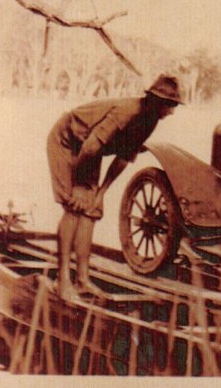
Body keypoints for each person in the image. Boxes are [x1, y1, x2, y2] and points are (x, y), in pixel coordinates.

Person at [47, 74, 182, 301]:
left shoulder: (150, 121)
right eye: (170, 105)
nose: (172, 112)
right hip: (67, 141)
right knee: (74, 205)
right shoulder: (127, 111)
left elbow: (122, 159)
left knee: (92, 210)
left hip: (89, 151)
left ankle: (82, 280)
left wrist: (101, 193)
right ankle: (63, 282)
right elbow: (90, 146)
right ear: (156, 101)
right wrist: (79, 186)